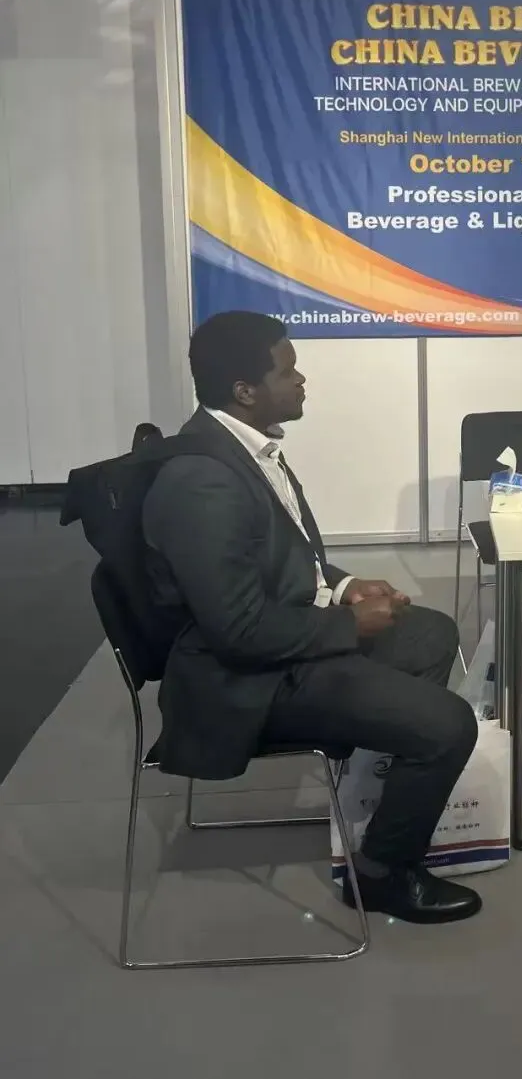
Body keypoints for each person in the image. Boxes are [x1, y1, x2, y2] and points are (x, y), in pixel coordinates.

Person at [142, 312, 481, 925]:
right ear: (245, 390)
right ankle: (383, 872)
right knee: (448, 726)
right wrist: (350, 626)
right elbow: (237, 632)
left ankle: (379, 788)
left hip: (280, 644)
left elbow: (282, 554)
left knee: (431, 633)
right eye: (288, 371)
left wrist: (345, 587)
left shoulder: (244, 448)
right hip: (245, 682)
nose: (301, 380)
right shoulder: (202, 481)